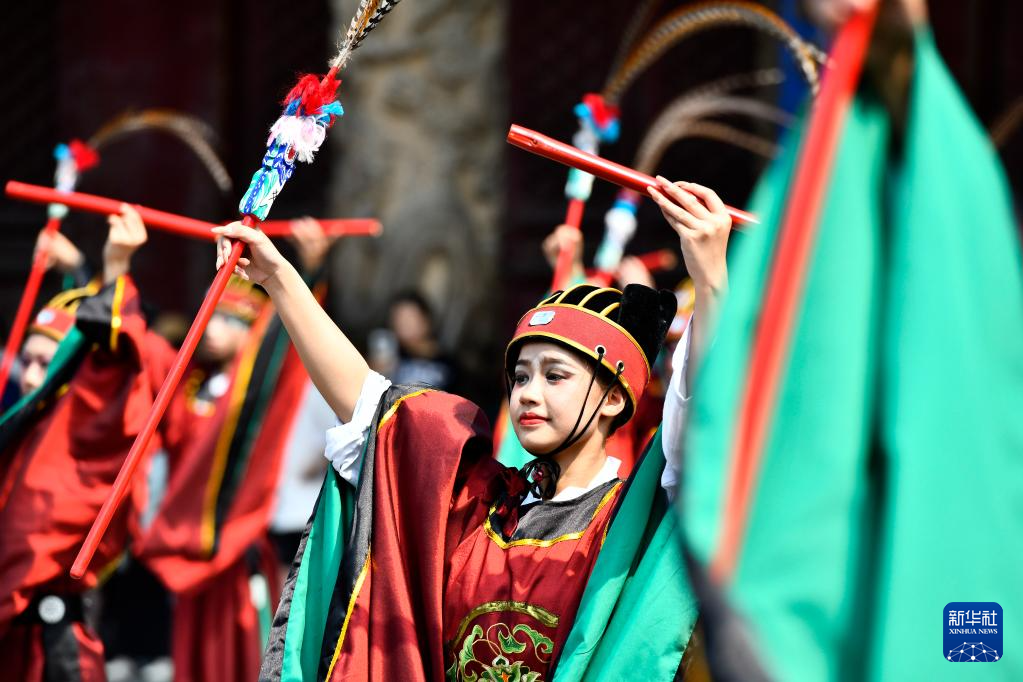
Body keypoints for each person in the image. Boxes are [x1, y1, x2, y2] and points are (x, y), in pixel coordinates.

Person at [212, 174, 731, 679]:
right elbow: (368, 406)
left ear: (614, 398)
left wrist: (710, 278)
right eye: (520, 375)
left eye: (554, 376)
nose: (528, 393)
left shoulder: (631, 527)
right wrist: (278, 278)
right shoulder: (475, 504)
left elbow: (710, 430)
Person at [0, 205, 160, 682]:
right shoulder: (34, 422)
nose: (32, 377)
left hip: (51, 648)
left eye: (45, 362)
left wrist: (116, 265)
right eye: (27, 361)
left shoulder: (85, 423)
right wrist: (78, 269)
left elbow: (108, 358)